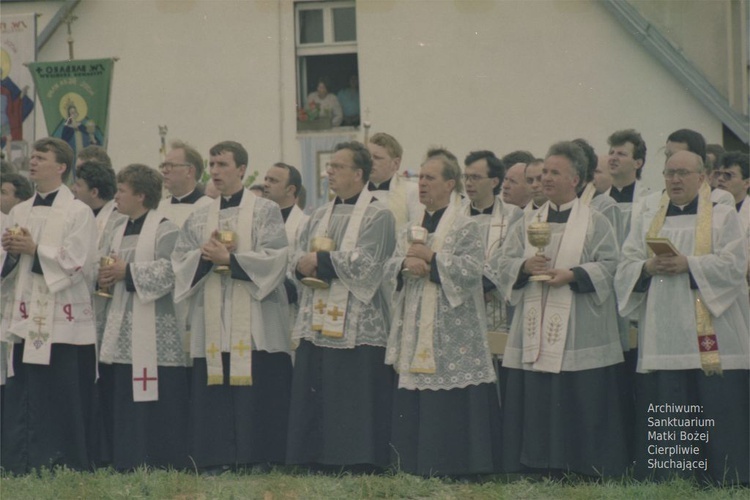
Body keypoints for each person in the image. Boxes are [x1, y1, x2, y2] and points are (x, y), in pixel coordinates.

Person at [488, 141, 627, 477]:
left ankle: (580, 465)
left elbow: (612, 266)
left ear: (575, 180)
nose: (545, 179)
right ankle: (536, 464)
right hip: (534, 323)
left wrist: (574, 274)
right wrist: (524, 267)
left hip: (579, 326)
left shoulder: (595, 221)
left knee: (578, 395)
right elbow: (501, 262)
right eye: (544, 172)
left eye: (554, 173)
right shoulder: (526, 221)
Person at [614, 150, 749, 484]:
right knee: (669, 402)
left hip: (713, 332)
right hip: (664, 329)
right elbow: (626, 264)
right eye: (669, 173)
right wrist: (648, 266)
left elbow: (735, 266)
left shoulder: (721, 215)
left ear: (701, 178)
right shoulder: (648, 217)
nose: (674, 180)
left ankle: (721, 475)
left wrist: (689, 264)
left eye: (683, 173)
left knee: (714, 405)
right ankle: (673, 474)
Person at [172, 141, 292, 471]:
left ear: (241, 169)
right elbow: (179, 262)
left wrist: (232, 260)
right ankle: (216, 458)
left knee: (256, 387)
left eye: (223, 164)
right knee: (214, 386)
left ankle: (258, 457)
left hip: (253, 317)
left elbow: (277, 257)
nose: (215, 171)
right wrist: (206, 257)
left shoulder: (265, 211)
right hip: (212, 318)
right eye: (212, 165)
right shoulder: (199, 215)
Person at [385, 148, 500, 476]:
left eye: (430, 178)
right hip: (415, 318)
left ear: (450, 184)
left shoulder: (466, 226)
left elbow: (472, 271)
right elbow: (389, 266)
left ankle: (454, 464)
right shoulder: (409, 225)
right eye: (420, 177)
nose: (422, 184)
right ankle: (412, 463)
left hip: (452, 328)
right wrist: (405, 263)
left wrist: (433, 259)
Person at [287, 141, 396, 470]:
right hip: (318, 318)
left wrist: (318, 260)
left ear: (359, 174)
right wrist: (301, 264)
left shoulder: (379, 214)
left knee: (352, 394)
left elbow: (369, 263)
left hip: (358, 322)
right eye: (329, 166)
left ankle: (355, 459)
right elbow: (296, 254)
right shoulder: (318, 214)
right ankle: (315, 456)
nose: (328, 172)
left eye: (337, 167)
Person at [0, 138, 98, 473]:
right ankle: (22, 458)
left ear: (61, 167)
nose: (33, 161)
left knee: (59, 389)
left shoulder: (78, 211)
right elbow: (7, 263)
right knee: (24, 386)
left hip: (62, 319)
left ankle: (60, 459)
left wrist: (34, 249)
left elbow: (77, 263)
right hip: (24, 313)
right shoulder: (19, 210)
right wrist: (11, 252)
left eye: (41, 158)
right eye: (33, 156)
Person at [96, 164, 188, 470]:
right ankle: (126, 458)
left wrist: (128, 271)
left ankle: (158, 458)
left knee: (154, 395)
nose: (117, 196)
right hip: (121, 320)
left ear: (141, 195)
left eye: (122, 190)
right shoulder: (115, 228)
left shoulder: (166, 229)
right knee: (123, 391)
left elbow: (172, 270)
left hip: (154, 329)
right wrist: (107, 274)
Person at [462, 150, 521, 366]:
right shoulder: (455, 214)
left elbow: (506, 256)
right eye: (466, 177)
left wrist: (479, 286)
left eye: (475, 177)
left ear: (495, 181)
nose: (468, 183)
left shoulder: (513, 214)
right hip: (462, 303)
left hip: (496, 301)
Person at [263, 162, 309, 350]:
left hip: (291, 305)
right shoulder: (259, 220)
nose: (266, 183)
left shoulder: (305, 224)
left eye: (273, 180)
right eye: (266, 179)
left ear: (291, 189)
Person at [367, 132, 422, 233]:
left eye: (377, 158)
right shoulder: (356, 191)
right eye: (368, 157)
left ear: (396, 163)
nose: (370, 162)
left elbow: (417, 229)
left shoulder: (411, 191)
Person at [663, 129, 734, 207]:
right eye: (667, 155)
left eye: (675, 155)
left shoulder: (720, 199)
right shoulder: (652, 201)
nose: (668, 161)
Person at [605, 129, 652, 240]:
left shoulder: (648, 201)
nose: (613, 158)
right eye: (611, 153)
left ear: (637, 163)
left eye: (621, 154)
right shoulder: (599, 201)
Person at [158, 140, 212, 228]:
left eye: (170, 166)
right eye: (163, 166)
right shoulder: (159, 209)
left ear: (189, 171)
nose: (164, 171)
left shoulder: (210, 209)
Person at [715, 151, 749, 285]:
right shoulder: (709, 209)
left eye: (729, 175)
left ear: (746, 183)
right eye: (719, 174)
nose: (721, 179)